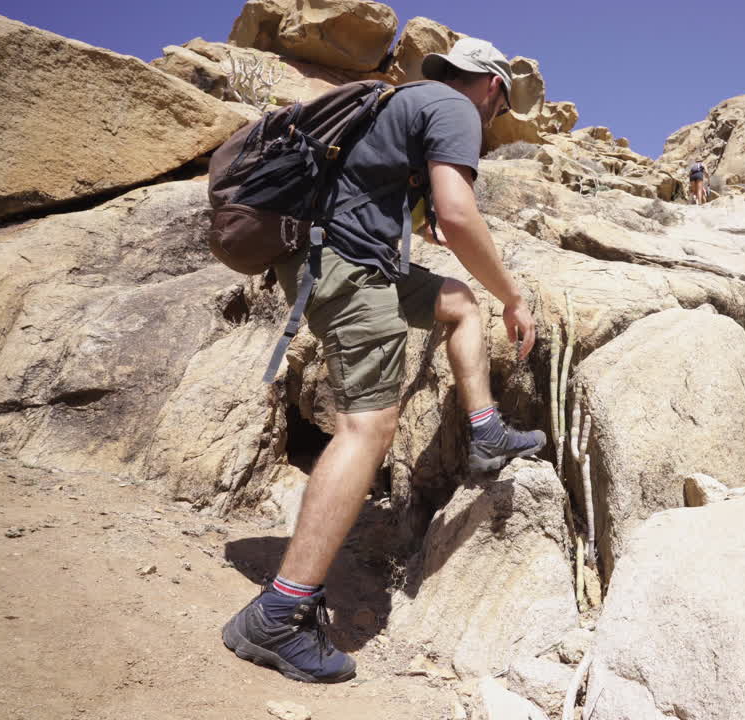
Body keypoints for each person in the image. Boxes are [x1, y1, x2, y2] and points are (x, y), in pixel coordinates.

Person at [221, 37, 546, 684]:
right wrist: (515, 295)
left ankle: (484, 432)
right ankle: (279, 615)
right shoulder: (455, 110)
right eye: (502, 102)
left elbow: (417, 211)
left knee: (457, 302)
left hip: (340, 260)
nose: (497, 114)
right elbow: (457, 215)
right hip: (350, 270)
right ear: (489, 86)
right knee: (368, 426)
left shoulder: (406, 103)